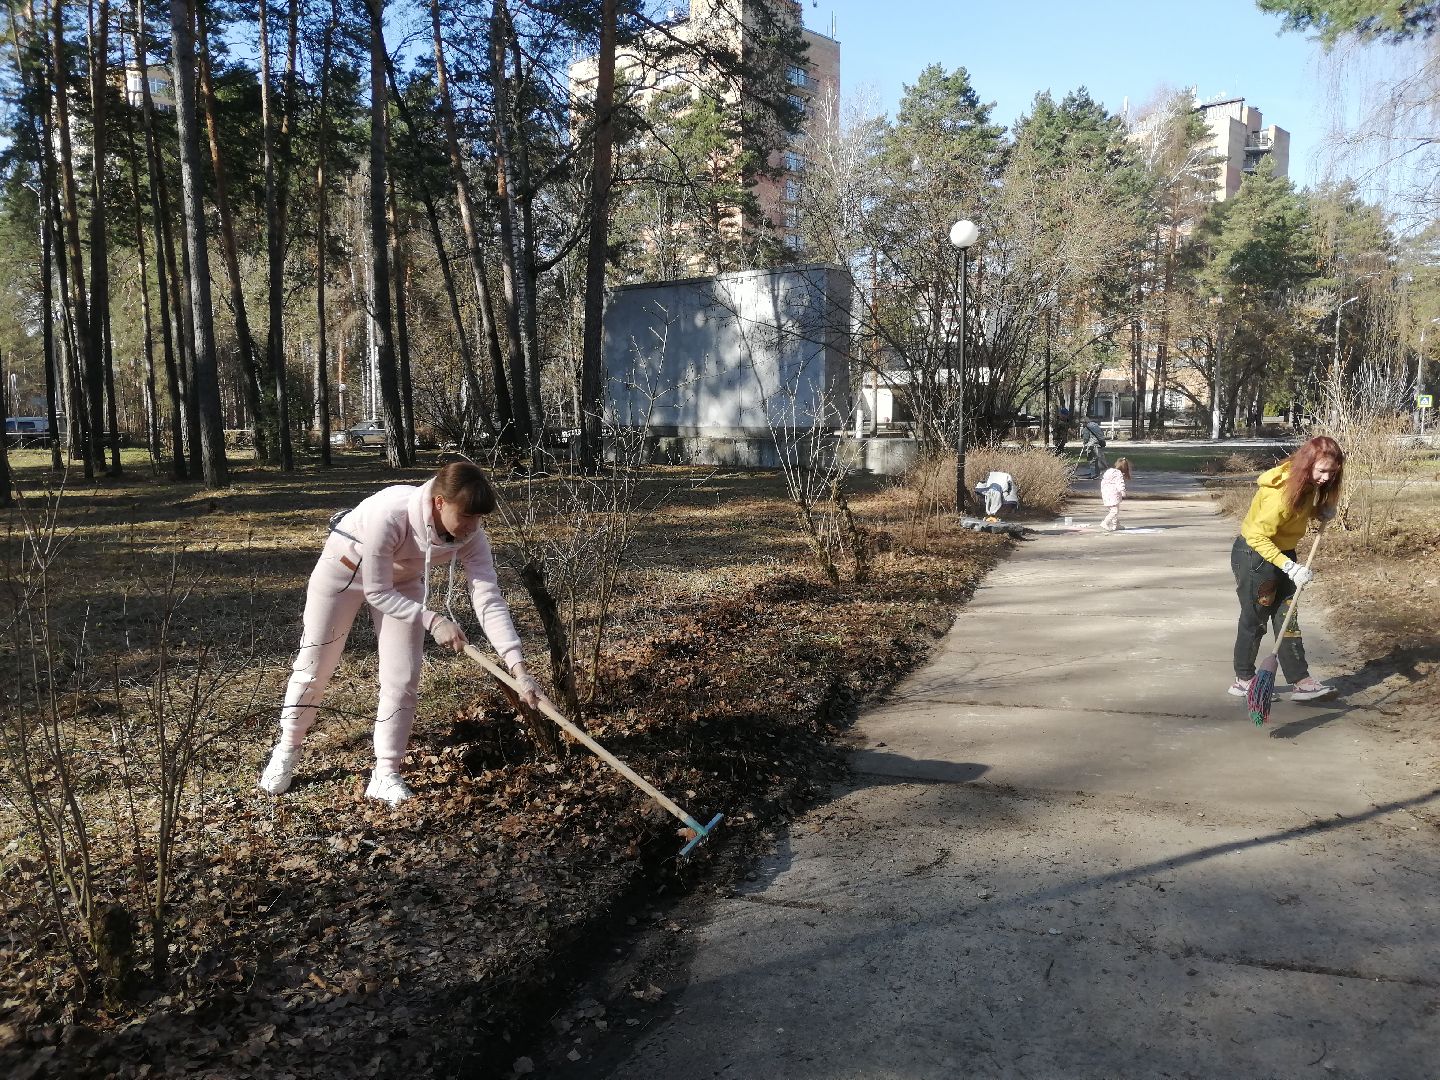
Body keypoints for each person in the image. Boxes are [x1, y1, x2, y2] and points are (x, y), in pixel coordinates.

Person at [258, 460, 550, 805]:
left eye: (478, 519)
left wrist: (519, 668)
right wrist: (433, 620)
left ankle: (385, 773)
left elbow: (487, 598)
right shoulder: (391, 513)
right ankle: (288, 747)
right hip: (343, 572)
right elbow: (377, 591)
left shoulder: (471, 534)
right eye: (467, 517)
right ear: (440, 502)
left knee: (403, 677)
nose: (472, 527)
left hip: (405, 583)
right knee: (315, 665)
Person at [1228, 436, 1344, 703]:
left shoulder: (1307, 485)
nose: (1326, 477)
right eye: (1322, 470)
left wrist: (1318, 512)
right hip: (1255, 557)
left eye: (1331, 472)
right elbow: (1257, 537)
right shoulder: (1279, 494)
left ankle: (1301, 681)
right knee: (1255, 619)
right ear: (1308, 465)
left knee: (1287, 619)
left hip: (1282, 553)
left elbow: (1295, 515)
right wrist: (1289, 566)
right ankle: (1243, 678)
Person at [1099, 458, 1131, 532]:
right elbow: (1120, 483)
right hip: (1113, 494)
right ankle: (1105, 522)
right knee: (1114, 511)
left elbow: (1103, 482)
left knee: (1113, 510)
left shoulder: (1109, 471)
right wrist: (1122, 491)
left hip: (1106, 493)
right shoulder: (1118, 473)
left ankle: (1116, 524)